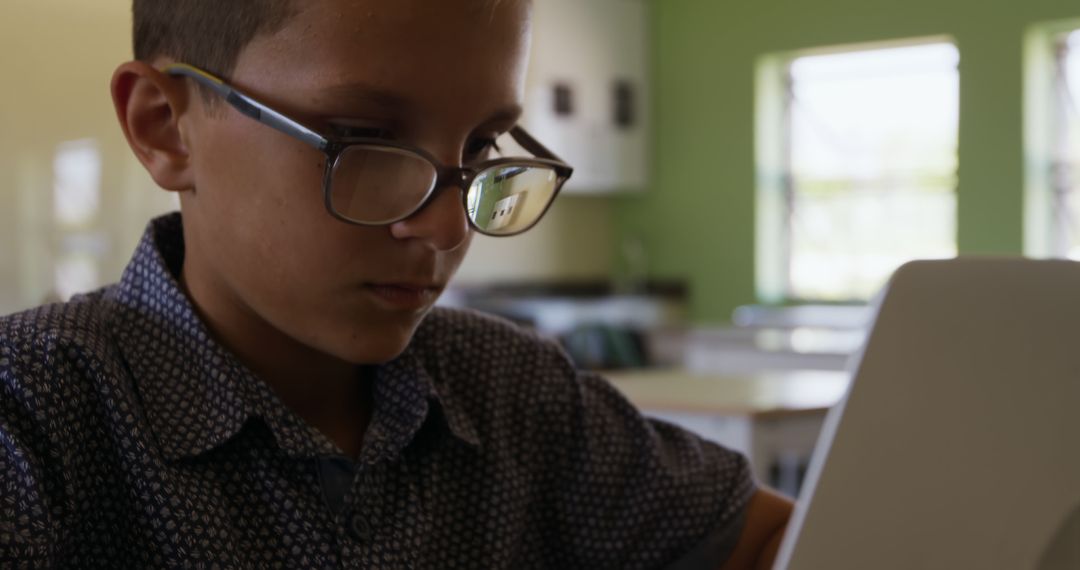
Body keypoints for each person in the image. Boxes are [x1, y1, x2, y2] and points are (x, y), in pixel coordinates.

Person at [0, 0, 792, 567]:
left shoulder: (513, 393)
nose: (449, 230)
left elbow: (770, 541)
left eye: (481, 143)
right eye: (364, 138)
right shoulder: (32, 417)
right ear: (164, 126)